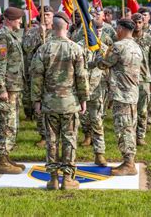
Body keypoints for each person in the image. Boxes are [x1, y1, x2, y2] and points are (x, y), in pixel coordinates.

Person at [31, 12, 89, 190]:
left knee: (52, 141)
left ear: (53, 27)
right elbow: (81, 76)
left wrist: (36, 100)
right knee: (69, 140)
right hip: (69, 103)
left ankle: (53, 179)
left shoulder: (44, 49)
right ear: (67, 26)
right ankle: (68, 179)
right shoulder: (75, 48)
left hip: (49, 102)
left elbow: (36, 76)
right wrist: (84, 99)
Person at [95, 19, 142, 176]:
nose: (116, 31)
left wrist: (97, 55)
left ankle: (129, 164)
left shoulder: (119, 46)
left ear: (121, 29)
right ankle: (129, 160)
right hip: (132, 93)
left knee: (124, 129)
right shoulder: (136, 46)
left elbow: (104, 64)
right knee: (130, 127)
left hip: (122, 94)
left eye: (117, 29)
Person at [0, 7, 26, 174]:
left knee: (11, 123)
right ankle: (1, 160)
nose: (21, 22)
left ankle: (6, 156)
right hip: (6, 89)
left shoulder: (10, 35)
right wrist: (1, 88)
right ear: (9, 20)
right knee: (5, 124)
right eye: (18, 19)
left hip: (12, 87)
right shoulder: (3, 37)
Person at [22, 5, 54, 146]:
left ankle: (54, 134)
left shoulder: (59, 31)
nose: (45, 17)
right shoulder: (32, 32)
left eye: (48, 14)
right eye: (43, 14)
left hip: (54, 75)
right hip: (36, 74)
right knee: (38, 105)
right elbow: (26, 47)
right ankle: (43, 135)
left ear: (53, 16)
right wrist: (39, 34)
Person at [78, 20, 108, 166]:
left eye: (99, 30)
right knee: (73, 123)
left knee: (97, 121)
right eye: (93, 30)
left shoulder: (104, 48)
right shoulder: (76, 47)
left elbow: (108, 70)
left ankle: (99, 154)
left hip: (96, 90)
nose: (96, 33)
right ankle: (68, 156)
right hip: (78, 91)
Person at [131, 13, 151, 146]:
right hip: (128, 80)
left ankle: (140, 136)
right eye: (135, 22)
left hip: (144, 80)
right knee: (130, 110)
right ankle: (130, 135)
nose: (137, 25)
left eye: (139, 22)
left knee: (142, 110)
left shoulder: (150, 40)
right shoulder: (126, 39)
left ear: (143, 23)